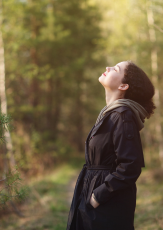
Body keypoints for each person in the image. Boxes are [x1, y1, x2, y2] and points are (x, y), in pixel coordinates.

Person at [66, 61, 156, 230]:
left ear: (123, 85)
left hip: (107, 203)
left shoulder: (123, 116)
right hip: (94, 194)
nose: (108, 68)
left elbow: (130, 166)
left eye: (116, 69)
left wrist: (98, 196)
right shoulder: (109, 114)